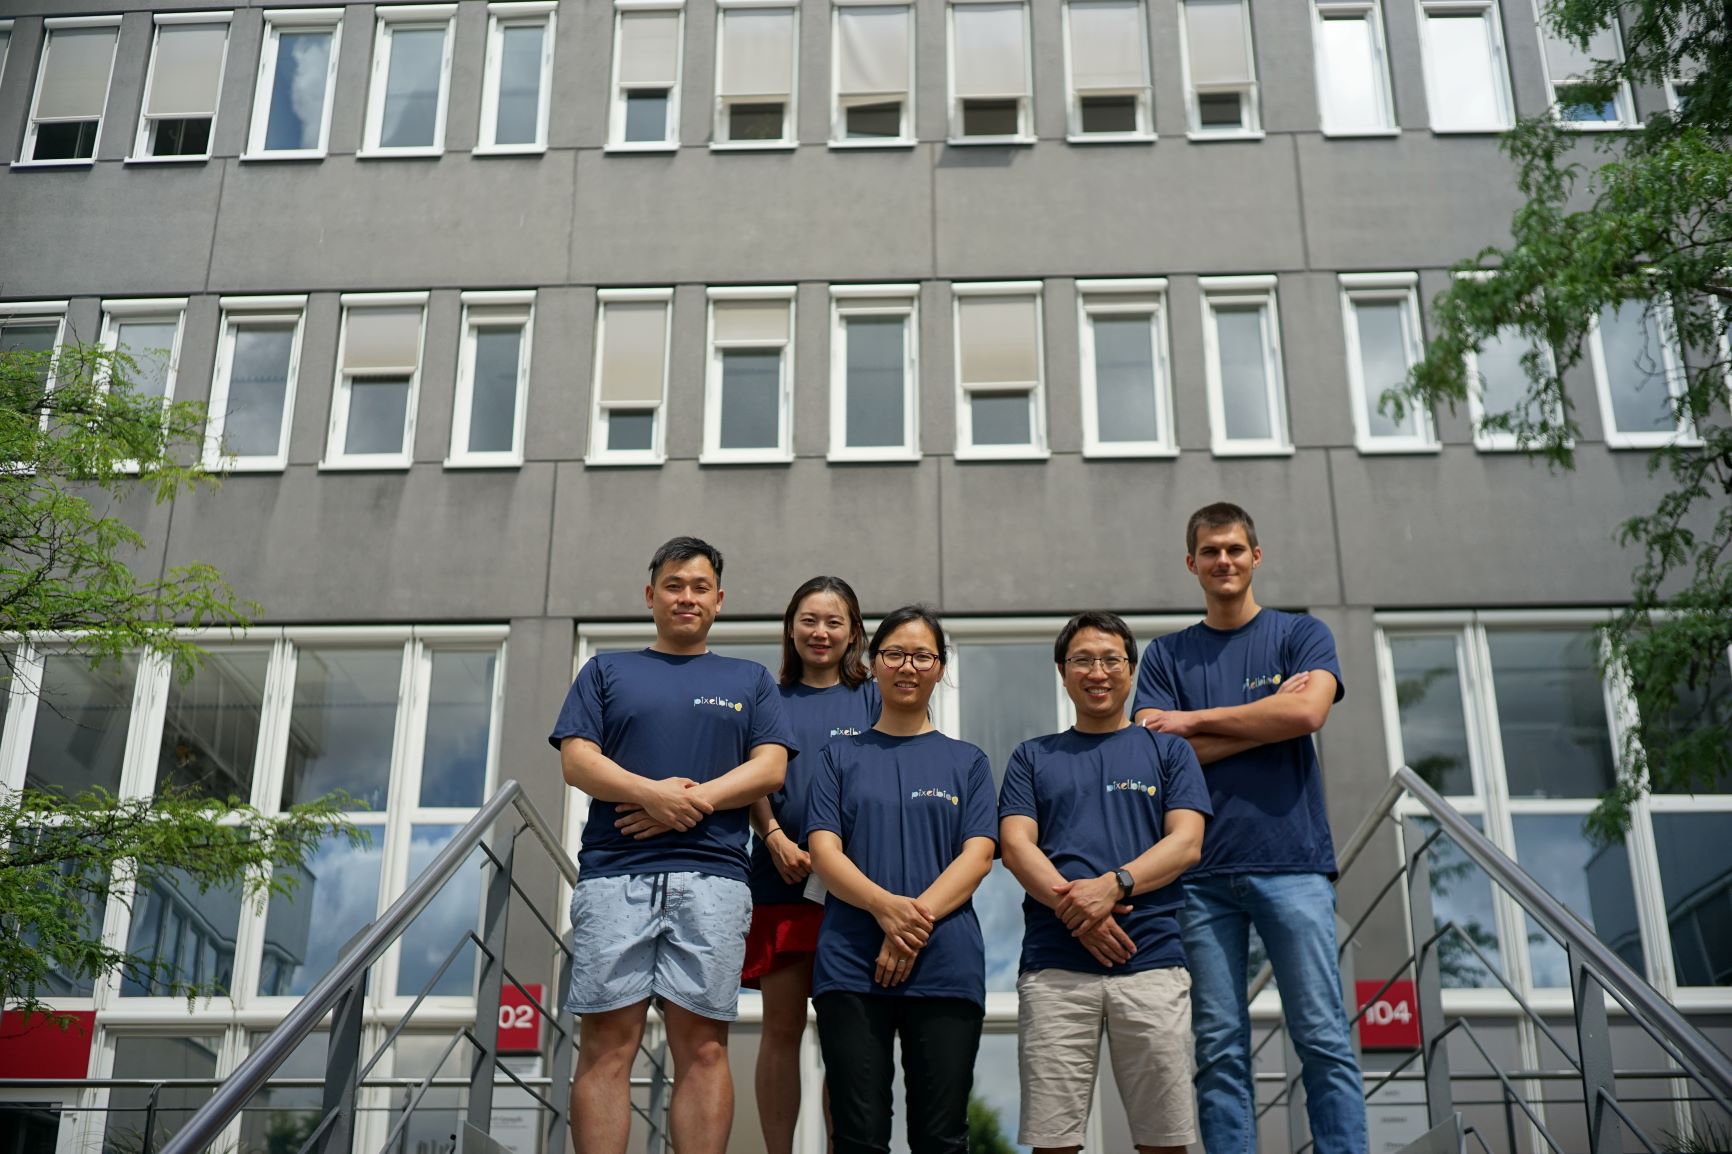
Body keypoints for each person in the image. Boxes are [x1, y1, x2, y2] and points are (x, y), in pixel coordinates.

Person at [548, 536, 798, 1154]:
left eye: (699, 587)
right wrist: (650, 794)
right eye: (674, 585)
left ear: (719, 600)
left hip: (714, 879)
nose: (686, 597)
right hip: (613, 876)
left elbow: (769, 769)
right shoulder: (606, 669)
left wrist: (688, 803)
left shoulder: (750, 679)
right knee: (608, 1044)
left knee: (705, 1049)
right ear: (650, 595)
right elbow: (578, 762)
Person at [1132, 502, 1366, 1154]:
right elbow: (1156, 757)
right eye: (1211, 552)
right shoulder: (1166, 655)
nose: (1224, 561)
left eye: (1235, 549)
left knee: (1321, 1034)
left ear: (1255, 556)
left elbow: (1310, 716)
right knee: (1219, 1048)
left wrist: (1193, 723)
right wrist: (1268, 716)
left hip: (1292, 863)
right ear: (1192, 564)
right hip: (1199, 874)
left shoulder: (1302, 634)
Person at [999, 611, 1212, 1154]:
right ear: (1063, 672)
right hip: (1055, 968)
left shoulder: (1168, 751)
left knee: (1165, 1140)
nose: (1098, 671)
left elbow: (1187, 843)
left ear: (1131, 669)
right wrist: (1079, 914)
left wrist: (1113, 886)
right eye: (1083, 660)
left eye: (1111, 659)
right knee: (1053, 1142)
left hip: (1153, 964)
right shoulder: (1032, 756)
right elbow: (1017, 847)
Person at [805, 605, 997, 1154]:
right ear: (872, 662)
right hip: (850, 964)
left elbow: (979, 856)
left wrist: (909, 924)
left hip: (946, 963)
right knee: (858, 1137)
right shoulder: (839, 757)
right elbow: (824, 850)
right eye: (894, 653)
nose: (907, 666)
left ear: (940, 667)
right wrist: (886, 909)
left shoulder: (969, 762)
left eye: (922, 655)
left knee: (942, 1137)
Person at [744, 576, 881, 1154]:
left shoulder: (875, 696)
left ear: (853, 632)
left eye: (834, 622)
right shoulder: (764, 694)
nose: (821, 633)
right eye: (809, 620)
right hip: (782, 878)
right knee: (780, 1029)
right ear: (790, 626)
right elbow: (745, 772)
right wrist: (772, 834)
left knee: (845, 1037)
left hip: (856, 887)